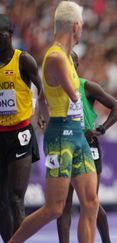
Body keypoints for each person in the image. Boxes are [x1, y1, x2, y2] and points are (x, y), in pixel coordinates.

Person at [9, 1, 100, 242]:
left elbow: (46, 92)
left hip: (76, 134)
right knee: (54, 208)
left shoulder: (68, 57)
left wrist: (40, 106)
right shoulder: (57, 56)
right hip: (61, 135)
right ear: (76, 26)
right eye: (81, 26)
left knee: (91, 202)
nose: (82, 31)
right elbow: (74, 95)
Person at [56, 51, 117, 243]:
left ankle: (107, 241)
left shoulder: (87, 87)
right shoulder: (55, 89)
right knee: (64, 204)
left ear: (76, 66)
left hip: (88, 146)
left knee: (91, 202)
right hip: (65, 146)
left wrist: (101, 129)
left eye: (71, 63)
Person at [0, 14, 44, 242]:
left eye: (1, 35)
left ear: (10, 35)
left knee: (16, 197)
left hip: (20, 135)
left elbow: (42, 88)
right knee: (1, 201)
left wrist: (42, 115)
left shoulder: (24, 60)